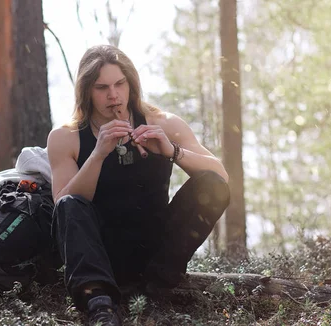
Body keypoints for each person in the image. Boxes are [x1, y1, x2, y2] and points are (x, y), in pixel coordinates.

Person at [47, 44, 230, 326]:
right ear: (86, 91)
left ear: (131, 84)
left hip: (155, 248)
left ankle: (157, 289)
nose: (113, 95)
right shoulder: (66, 137)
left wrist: (172, 151)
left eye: (120, 84)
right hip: (102, 254)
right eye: (102, 87)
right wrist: (98, 154)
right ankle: (100, 306)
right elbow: (64, 206)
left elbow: (220, 177)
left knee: (210, 184)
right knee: (70, 204)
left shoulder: (164, 123)